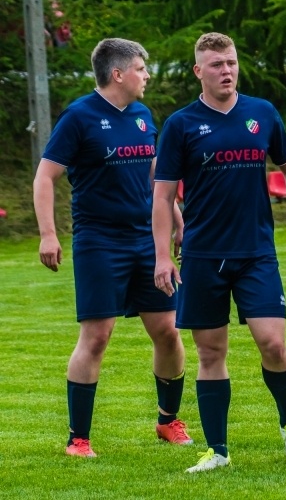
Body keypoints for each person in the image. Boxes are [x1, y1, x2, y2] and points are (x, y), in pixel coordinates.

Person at [152, 32, 286, 472]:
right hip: (204, 256)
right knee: (211, 354)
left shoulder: (261, 113)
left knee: (273, 344)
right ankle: (218, 451)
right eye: (216, 64)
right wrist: (162, 256)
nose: (226, 70)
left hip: (255, 252)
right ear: (198, 71)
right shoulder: (181, 125)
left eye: (231, 62)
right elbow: (162, 196)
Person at [32, 38, 192, 458]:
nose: (147, 76)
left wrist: (175, 214)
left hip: (145, 240)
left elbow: (155, 170)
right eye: (141, 68)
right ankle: (78, 439)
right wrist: (49, 234)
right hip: (99, 241)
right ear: (118, 74)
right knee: (97, 336)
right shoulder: (79, 117)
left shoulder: (141, 115)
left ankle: (167, 420)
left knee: (168, 331)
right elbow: (45, 178)